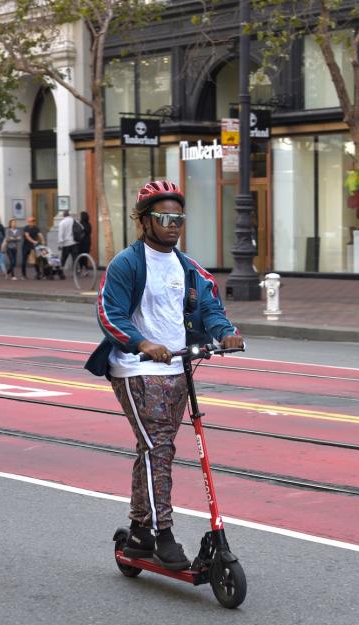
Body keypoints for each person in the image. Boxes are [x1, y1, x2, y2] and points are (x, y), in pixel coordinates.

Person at [84, 180, 244, 571]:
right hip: (136, 369)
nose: (174, 225)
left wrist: (225, 332)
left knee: (155, 449)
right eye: (165, 217)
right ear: (144, 220)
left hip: (177, 367)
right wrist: (140, 343)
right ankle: (162, 533)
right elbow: (110, 314)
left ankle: (140, 532)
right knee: (159, 447)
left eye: (179, 218)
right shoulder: (127, 263)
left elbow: (209, 306)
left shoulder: (187, 267)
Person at [57, 210, 78, 275]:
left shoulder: (62, 223)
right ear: (69, 215)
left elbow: (61, 234)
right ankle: (76, 271)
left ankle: (61, 272)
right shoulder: (74, 221)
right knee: (75, 258)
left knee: (63, 259)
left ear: (64, 215)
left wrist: (60, 244)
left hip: (66, 244)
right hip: (74, 242)